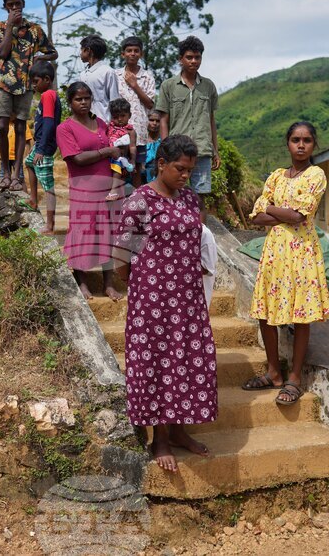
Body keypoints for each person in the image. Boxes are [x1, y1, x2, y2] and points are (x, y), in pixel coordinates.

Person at [114, 134, 217, 472]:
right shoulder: (140, 200)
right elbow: (123, 251)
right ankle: (159, 439)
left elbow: (196, 242)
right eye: (179, 168)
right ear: (160, 164)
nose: (185, 175)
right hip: (153, 299)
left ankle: (178, 430)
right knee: (159, 362)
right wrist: (133, 289)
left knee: (186, 360)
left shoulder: (189, 199)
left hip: (187, 297)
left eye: (189, 169)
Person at [243, 121, 329, 406]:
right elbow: (255, 217)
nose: (301, 144)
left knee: (300, 314)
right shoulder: (277, 177)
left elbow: (299, 217)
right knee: (265, 312)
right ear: (288, 143)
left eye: (306, 140)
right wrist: (279, 212)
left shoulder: (316, 175)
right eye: (295, 139)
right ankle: (273, 373)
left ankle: (294, 378)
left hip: (302, 252)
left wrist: (268, 208)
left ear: (314, 144)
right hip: (274, 253)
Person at [56, 81, 122, 301]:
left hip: (106, 189)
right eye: (78, 99)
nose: (83, 103)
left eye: (87, 98)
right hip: (83, 189)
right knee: (82, 233)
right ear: (70, 102)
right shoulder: (65, 128)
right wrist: (107, 151)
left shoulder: (100, 123)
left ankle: (109, 284)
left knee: (107, 234)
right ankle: (82, 282)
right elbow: (78, 158)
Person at [0, 0, 58, 192]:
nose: (14, 8)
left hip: (26, 83)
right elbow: (2, 53)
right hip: (3, 82)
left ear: (23, 4)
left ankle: (17, 173)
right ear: (5, 7)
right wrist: (10, 26)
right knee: (2, 126)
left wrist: (41, 57)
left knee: (21, 127)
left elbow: (53, 52)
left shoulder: (35, 30)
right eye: (10, 5)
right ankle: (5, 169)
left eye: (17, 4)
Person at [155, 36, 219, 212]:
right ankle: (176, 234)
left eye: (197, 57)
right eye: (189, 57)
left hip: (203, 150)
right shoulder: (168, 86)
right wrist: (165, 149)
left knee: (200, 197)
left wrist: (216, 150)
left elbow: (211, 119)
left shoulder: (209, 86)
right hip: (177, 151)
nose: (194, 61)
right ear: (180, 59)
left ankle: (198, 237)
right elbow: (163, 120)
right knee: (174, 193)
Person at [24, 60, 61, 234]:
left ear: (47, 79)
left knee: (48, 185)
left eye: (36, 81)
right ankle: (33, 199)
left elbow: (48, 123)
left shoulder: (48, 96)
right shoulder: (49, 95)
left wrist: (41, 148)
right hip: (41, 144)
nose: (34, 85)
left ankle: (50, 225)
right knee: (29, 162)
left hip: (44, 147)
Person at [115, 36, 156, 181]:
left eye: (136, 51)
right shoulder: (116, 75)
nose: (132, 53)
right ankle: (119, 201)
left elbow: (150, 104)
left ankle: (137, 201)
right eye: (129, 50)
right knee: (119, 167)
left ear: (141, 54)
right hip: (119, 131)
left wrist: (135, 85)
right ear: (123, 54)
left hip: (139, 131)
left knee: (138, 168)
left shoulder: (147, 77)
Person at [78, 35, 119, 124]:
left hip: (104, 123)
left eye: (82, 49)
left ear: (88, 50)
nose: (80, 53)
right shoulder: (82, 75)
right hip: (85, 124)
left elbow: (114, 101)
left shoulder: (108, 72)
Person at [106, 98, 137, 201]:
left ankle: (116, 193)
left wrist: (132, 160)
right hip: (107, 159)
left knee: (120, 179)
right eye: (115, 117)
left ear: (129, 115)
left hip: (121, 159)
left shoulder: (130, 131)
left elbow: (132, 146)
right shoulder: (108, 127)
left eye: (123, 116)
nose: (119, 119)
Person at [143, 110, 162, 183]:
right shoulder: (141, 140)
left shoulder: (163, 140)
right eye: (151, 120)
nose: (154, 123)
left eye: (157, 121)